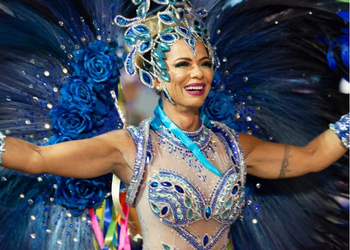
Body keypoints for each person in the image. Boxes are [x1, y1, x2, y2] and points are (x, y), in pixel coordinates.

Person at [0, 0, 348, 249]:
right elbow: (36, 157)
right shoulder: (130, 147)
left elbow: (311, 156)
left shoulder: (235, 145)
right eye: (183, 64)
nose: (197, 73)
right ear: (156, 77)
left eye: (204, 63)